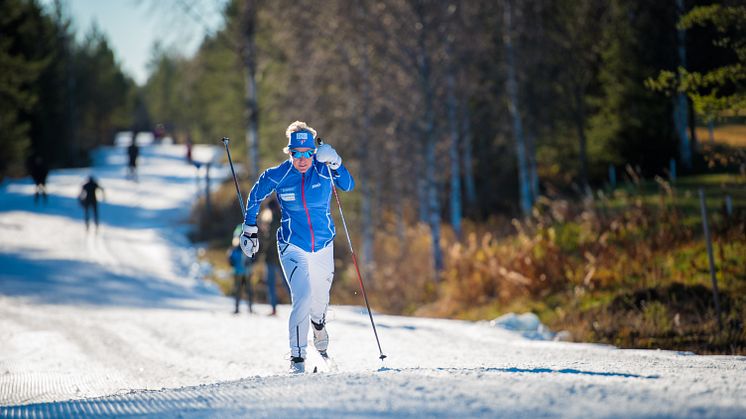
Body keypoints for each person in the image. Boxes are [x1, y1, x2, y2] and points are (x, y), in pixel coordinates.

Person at [239, 121, 354, 373]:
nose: (302, 159)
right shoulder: (279, 174)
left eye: (307, 153)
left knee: (319, 301)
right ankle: (298, 358)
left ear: (314, 152)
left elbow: (348, 185)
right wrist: (249, 228)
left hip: (323, 245)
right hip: (292, 244)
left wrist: (335, 161)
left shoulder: (324, 170)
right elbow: (255, 195)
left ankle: (319, 323)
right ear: (289, 152)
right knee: (302, 297)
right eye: (296, 153)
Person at [259, 197, 286, 316]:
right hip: (280, 256)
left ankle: (274, 309)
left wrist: (263, 232)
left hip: (273, 257)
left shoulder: (272, 220)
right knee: (287, 283)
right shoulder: (282, 218)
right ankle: (298, 306)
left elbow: (268, 239)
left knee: (273, 284)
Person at [228, 234, 254, 314]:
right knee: (240, 290)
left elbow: (253, 258)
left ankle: (248, 308)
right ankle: (238, 308)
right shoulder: (237, 249)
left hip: (244, 272)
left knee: (246, 290)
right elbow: (231, 260)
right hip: (240, 272)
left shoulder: (238, 249)